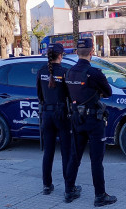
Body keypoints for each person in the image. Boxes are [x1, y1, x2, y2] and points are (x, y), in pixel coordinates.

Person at [64, 39, 117, 207]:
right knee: (96, 160)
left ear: (77, 52)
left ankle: (69, 190)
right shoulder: (94, 73)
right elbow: (108, 92)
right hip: (94, 120)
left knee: (75, 156)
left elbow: (69, 95)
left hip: (77, 119)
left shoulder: (69, 72)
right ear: (92, 51)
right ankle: (100, 195)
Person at [36, 43, 72, 196]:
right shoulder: (64, 72)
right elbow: (70, 95)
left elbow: (39, 95)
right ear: (60, 56)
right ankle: (69, 187)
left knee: (48, 151)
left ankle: (46, 185)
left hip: (47, 114)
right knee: (66, 152)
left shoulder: (41, 72)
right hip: (61, 114)